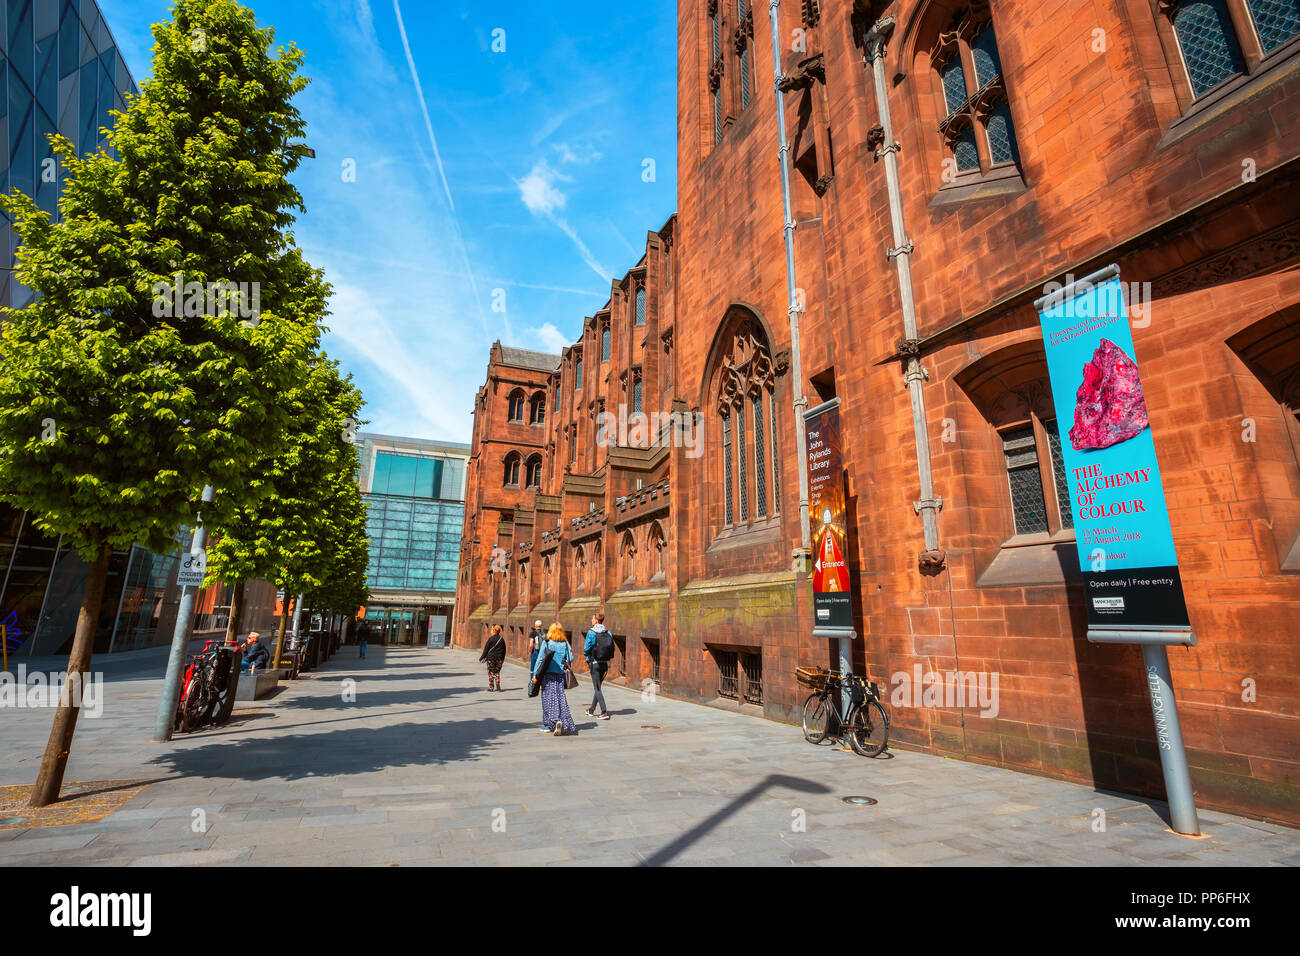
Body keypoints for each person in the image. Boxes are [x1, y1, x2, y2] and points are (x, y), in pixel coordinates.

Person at [531, 623, 576, 736]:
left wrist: (535, 675)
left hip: (547, 675)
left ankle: (552, 722)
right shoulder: (565, 643)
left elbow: (540, 659)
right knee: (559, 698)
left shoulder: (547, 643)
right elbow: (571, 658)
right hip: (559, 675)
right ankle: (561, 721)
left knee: (548, 698)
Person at [583, 611, 613, 720]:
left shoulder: (591, 632)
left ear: (596, 620)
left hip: (594, 663)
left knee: (597, 688)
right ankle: (591, 709)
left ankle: (604, 711)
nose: (591, 621)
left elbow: (586, 649)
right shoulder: (608, 632)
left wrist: (587, 655)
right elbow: (612, 648)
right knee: (598, 687)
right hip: (604, 663)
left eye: (592, 619)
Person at [479, 624, 507, 691]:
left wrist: (481, 657)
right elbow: (504, 650)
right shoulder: (501, 639)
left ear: (494, 631)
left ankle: (491, 687)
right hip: (499, 659)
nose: (490, 632)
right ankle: (497, 680)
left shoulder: (490, 639)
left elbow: (486, 649)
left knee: (491, 672)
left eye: (491, 630)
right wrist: (502, 659)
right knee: (497, 671)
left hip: (491, 658)